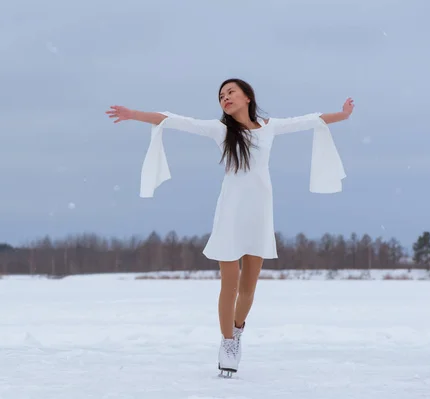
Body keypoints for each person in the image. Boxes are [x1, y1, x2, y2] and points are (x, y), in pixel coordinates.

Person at [106, 78, 354, 376]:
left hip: (260, 213)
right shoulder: (221, 130)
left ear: (247, 97)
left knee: (249, 287)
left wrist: (342, 115)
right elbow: (173, 120)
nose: (225, 97)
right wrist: (134, 113)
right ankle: (227, 344)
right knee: (230, 283)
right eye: (221, 95)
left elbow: (308, 121)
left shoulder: (269, 126)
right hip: (230, 212)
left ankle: (237, 332)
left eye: (231, 92)